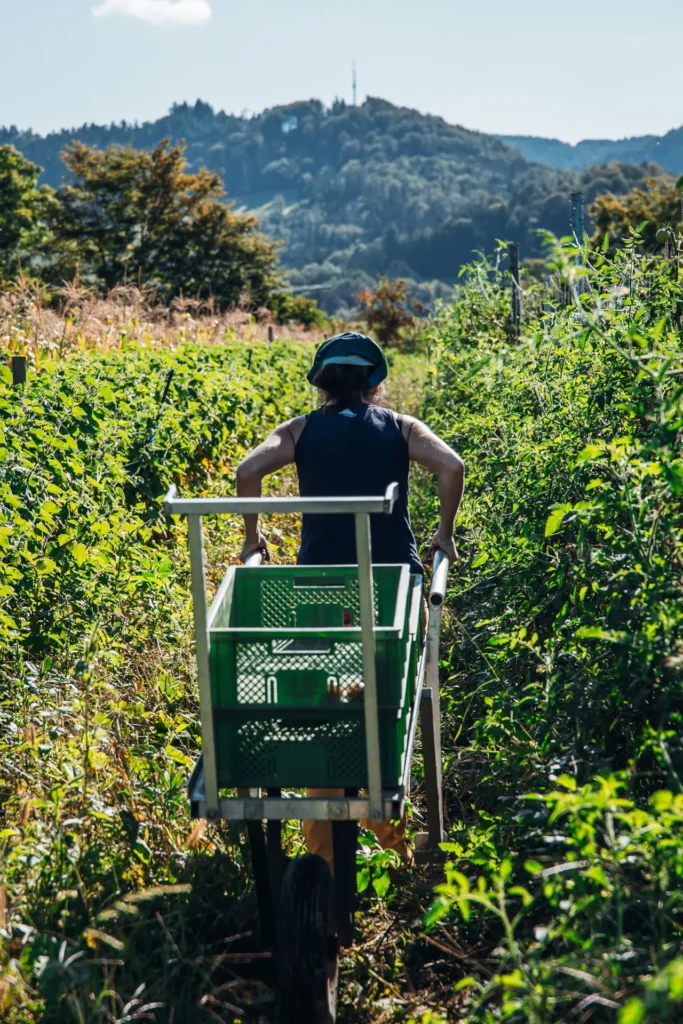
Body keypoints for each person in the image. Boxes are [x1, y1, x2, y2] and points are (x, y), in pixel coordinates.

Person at [235, 331, 464, 867]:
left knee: (326, 710)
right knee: (382, 710)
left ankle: (325, 860)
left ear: (322, 384)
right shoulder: (401, 427)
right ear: (374, 383)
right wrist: (444, 535)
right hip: (392, 591)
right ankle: (396, 849)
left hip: (319, 591)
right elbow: (451, 466)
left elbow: (247, 472)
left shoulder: (299, 430)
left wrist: (252, 537)